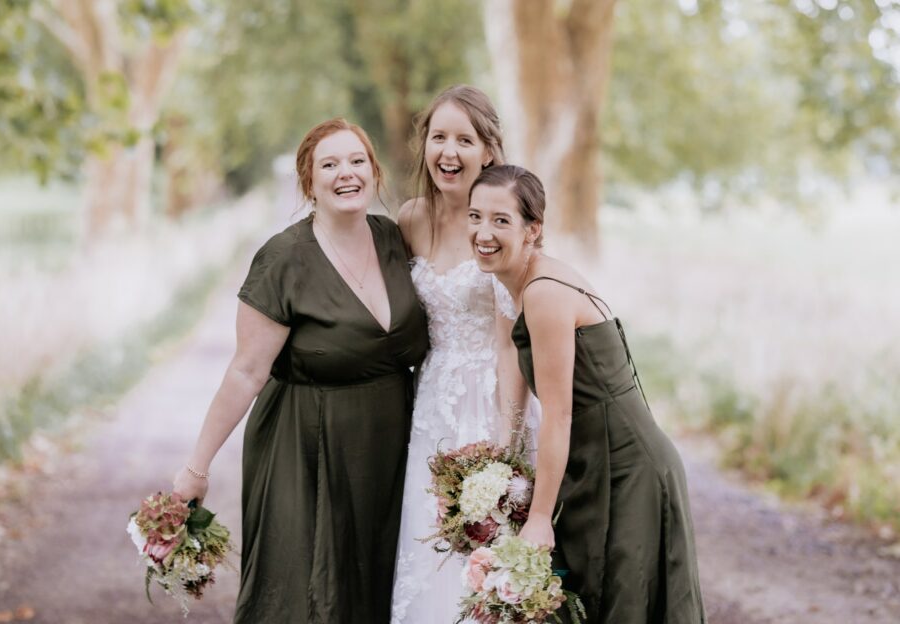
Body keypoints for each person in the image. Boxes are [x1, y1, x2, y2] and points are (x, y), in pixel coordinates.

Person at [172, 118, 429, 623]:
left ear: (374, 172)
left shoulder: (393, 239)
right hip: (304, 443)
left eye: (357, 161)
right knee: (302, 591)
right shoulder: (284, 258)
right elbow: (246, 371)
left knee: (375, 583)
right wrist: (195, 469)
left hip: (387, 444)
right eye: (328, 165)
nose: (346, 174)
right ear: (309, 183)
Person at [469, 164, 706, 623]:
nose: (483, 232)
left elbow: (559, 416)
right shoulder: (522, 283)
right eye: (475, 216)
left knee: (625, 605)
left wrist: (539, 519)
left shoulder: (542, 292)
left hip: (628, 469)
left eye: (501, 220)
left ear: (532, 229)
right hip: (596, 465)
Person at [391, 85, 539, 623]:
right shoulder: (410, 219)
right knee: (429, 544)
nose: (448, 153)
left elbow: (508, 344)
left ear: (489, 152)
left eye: (464, 140)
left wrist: (507, 445)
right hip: (431, 404)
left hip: (493, 398)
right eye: (438, 138)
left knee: (491, 541)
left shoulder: (500, 221)